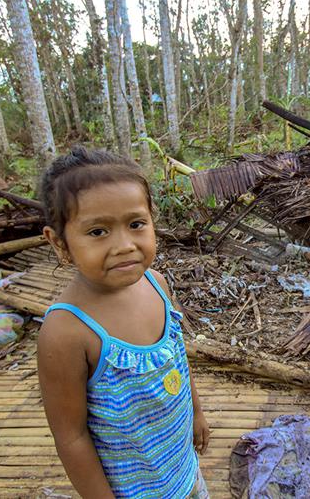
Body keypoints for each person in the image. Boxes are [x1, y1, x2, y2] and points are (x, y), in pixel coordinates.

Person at [37, 146, 210, 499]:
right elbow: (71, 437)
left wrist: (195, 410)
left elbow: (176, 358)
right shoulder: (67, 332)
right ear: (59, 243)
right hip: (132, 491)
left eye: (136, 224)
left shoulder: (157, 284)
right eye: (98, 232)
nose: (125, 245)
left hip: (184, 471)